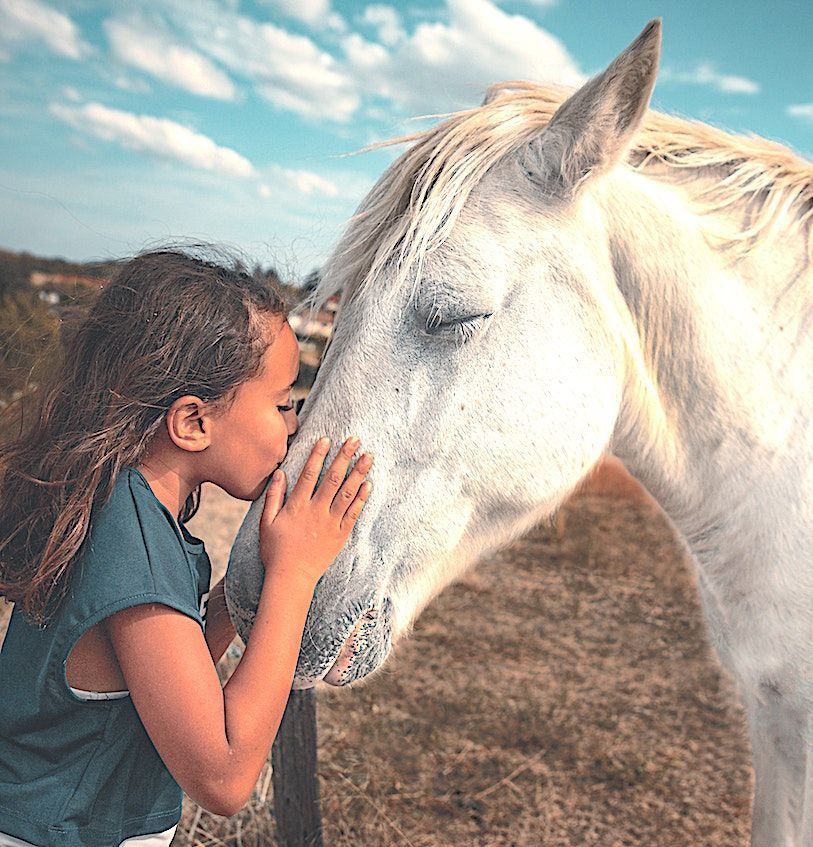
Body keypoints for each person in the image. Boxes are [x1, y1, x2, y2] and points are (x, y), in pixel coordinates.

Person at [0, 249, 372, 847]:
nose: (295, 424)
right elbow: (224, 778)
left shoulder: (122, 507)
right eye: (282, 403)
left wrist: (233, 597)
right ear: (193, 422)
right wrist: (293, 576)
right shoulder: (133, 550)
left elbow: (165, 682)